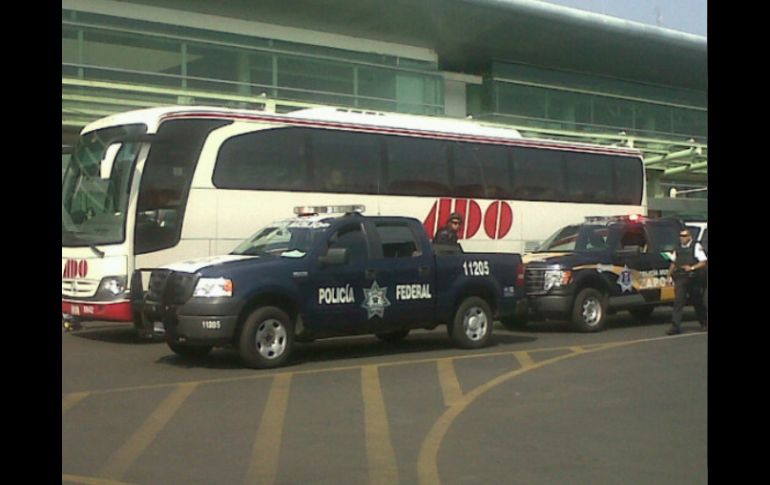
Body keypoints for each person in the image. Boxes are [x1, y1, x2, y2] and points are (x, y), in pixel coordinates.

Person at [666, 228, 708, 335]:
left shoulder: (696, 246)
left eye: (684, 236)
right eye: (681, 236)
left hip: (694, 278)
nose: (682, 238)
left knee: (697, 302)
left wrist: (692, 268)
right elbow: (674, 263)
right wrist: (668, 275)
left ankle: (704, 323)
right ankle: (675, 327)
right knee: (678, 302)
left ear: (690, 237)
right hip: (681, 277)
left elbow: (703, 262)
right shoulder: (678, 248)